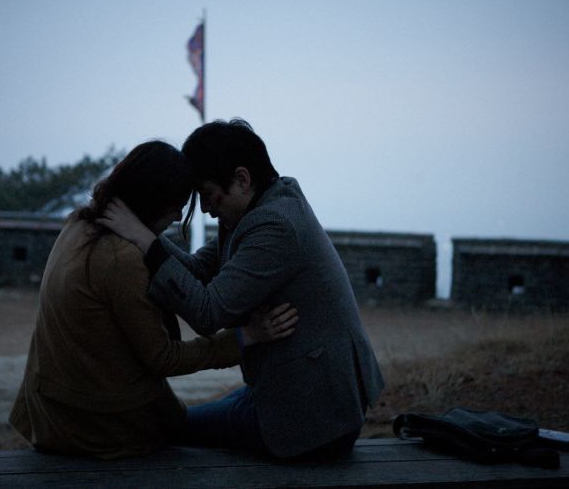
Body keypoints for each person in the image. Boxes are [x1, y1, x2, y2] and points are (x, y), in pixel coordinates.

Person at [98, 119, 385, 459]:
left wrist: (144, 240)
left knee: (168, 428)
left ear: (241, 179)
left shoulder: (275, 225)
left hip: (313, 419)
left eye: (207, 195)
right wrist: (145, 232)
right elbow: (197, 271)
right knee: (174, 417)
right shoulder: (258, 206)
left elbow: (208, 313)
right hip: (294, 392)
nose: (205, 209)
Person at [8, 140, 297, 459]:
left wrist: (146, 238)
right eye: (177, 205)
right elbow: (164, 357)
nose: (179, 216)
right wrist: (246, 336)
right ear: (153, 199)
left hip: (50, 410)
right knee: (233, 419)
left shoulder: (78, 224)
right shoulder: (120, 259)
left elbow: (193, 268)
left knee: (242, 402)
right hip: (97, 427)